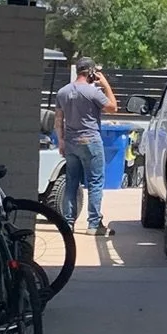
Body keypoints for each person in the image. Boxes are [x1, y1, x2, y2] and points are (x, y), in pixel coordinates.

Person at [53, 58, 119, 236]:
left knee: (71, 183)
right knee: (95, 182)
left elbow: (58, 119)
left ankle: (68, 223)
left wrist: (61, 141)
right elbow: (113, 108)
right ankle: (94, 224)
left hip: (71, 143)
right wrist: (105, 84)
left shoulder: (62, 92)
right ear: (90, 72)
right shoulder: (93, 92)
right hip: (91, 141)